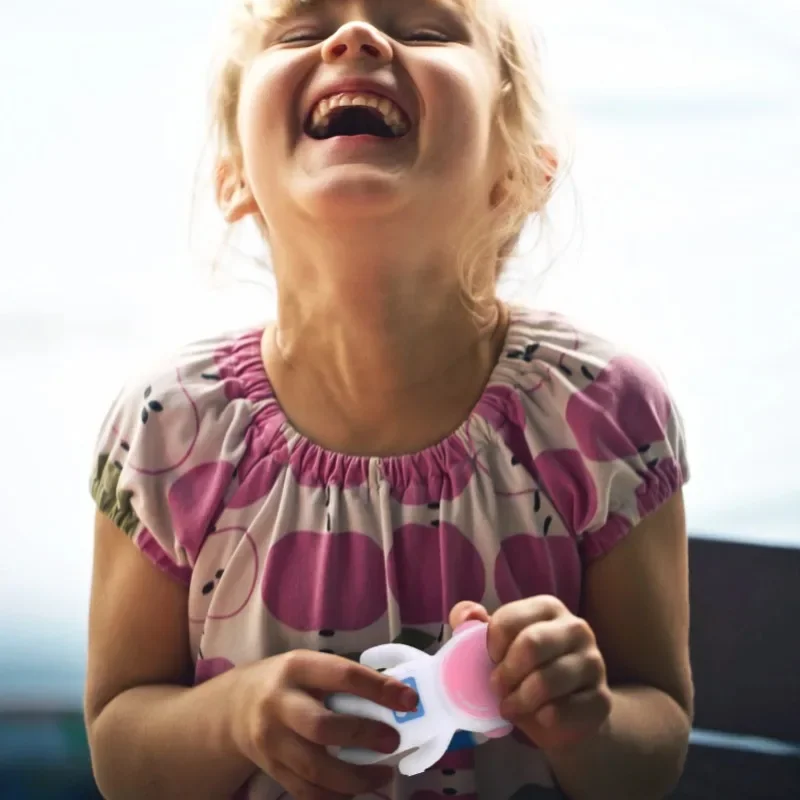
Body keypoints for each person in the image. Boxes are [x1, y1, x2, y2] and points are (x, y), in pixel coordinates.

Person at [83, 0, 693, 798]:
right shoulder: (166, 431)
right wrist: (231, 717)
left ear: (518, 171)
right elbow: (119, 751)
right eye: (301, 31)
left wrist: (589, 718)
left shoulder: (605, 415)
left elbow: (660, 735)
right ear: (234, 177)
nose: (355, 37)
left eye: (425, 29)